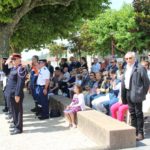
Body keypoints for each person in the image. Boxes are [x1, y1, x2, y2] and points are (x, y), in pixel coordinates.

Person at [121, 52, 149, 141]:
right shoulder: (126, 68)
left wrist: (142, 93)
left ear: (134, 58)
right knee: (132, 113)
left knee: (138, 113)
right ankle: (134, 132)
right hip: (128, 93)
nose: (128, 60)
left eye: (130, 58)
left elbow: (146, 82)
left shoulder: (140, 68)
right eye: (126, 58)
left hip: (137, 94)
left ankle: (140, 133)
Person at [6, 54, 26, 135]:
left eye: (14, 59)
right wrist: (9, 59)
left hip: (16, 94)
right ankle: (15, 125)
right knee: (14, 110)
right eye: (12, 59)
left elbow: (20, 83)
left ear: (19, 59)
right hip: (10, 93)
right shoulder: (13, 68)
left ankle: (18, 128)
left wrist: (17, 95)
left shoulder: (21, 69)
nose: (13, 61)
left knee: (18, 111)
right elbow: (5, 69)